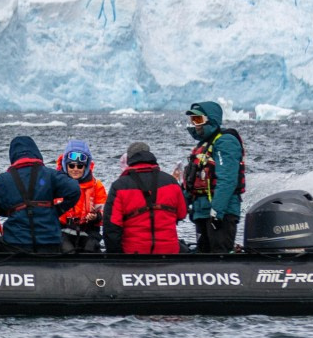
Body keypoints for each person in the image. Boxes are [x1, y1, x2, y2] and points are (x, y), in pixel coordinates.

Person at [0, 135, 80, 253]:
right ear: (36, 153)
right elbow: (74, 189)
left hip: (15, 242)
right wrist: (58, 210)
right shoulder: (50, 174)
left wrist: (13, 211)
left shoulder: (4, 179)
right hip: (50, 241)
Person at [182, 101, 246, 253]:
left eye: (198, 120)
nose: (195, 125)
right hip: (201, 212)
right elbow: (191, 182)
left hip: (220, 214)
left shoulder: (225, 142)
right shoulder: (202, 146)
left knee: (219, 255)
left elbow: (227, 179)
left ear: (210, 119)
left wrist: (217, 212)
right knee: (203, 254)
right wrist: (180, 207)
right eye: (193, 120)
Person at [103, 142, 187, 254]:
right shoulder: (171, 182)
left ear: (129, 159)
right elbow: (182, 213)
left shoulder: (119, 186)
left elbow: (111, 227)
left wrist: (116, 256)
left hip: (133, 253)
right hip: (169, 251)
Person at [54, 140, 107, 253]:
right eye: (71, 165)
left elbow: (105, 212)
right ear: (65, 165)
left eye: (80, 166)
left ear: (86, 166)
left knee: (91, 248)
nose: (75, 169)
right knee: (65, 249)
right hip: (61, 230)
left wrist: (96, 216)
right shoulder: (55, 184)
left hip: (88, 230)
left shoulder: (97, 186)